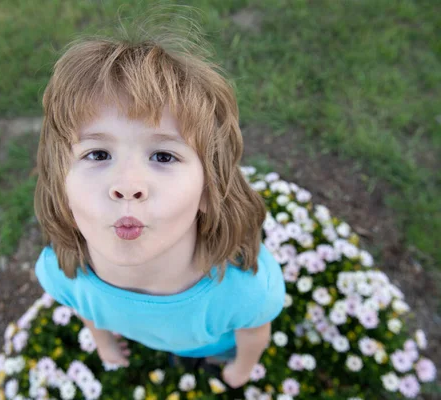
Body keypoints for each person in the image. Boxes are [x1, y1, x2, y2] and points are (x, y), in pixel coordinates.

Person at [33, 11, 285, 389]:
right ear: (60, 184)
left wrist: (242, 369)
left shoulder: (245, 291)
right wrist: (102, 340)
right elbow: (87, 309)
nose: (127, 186)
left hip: (215, 346)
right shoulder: (62, 274)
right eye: (98, 154)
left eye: (164, 156)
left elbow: (253, 334)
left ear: (209, 189)